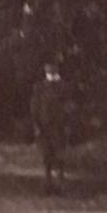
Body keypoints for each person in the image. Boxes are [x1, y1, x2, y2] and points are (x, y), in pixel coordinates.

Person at [29, 62, 73, 193]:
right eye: (48, 66)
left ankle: (60, 183)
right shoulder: (39, 87)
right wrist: (36, 124)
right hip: (44, 126)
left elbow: (69, 107)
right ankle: (48, 182)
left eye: (53, 67)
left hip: (59, 126)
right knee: (46, 154)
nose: (50, 69)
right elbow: (34, 106)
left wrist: (68, 124)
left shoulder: (64, 87)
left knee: (60, 154)